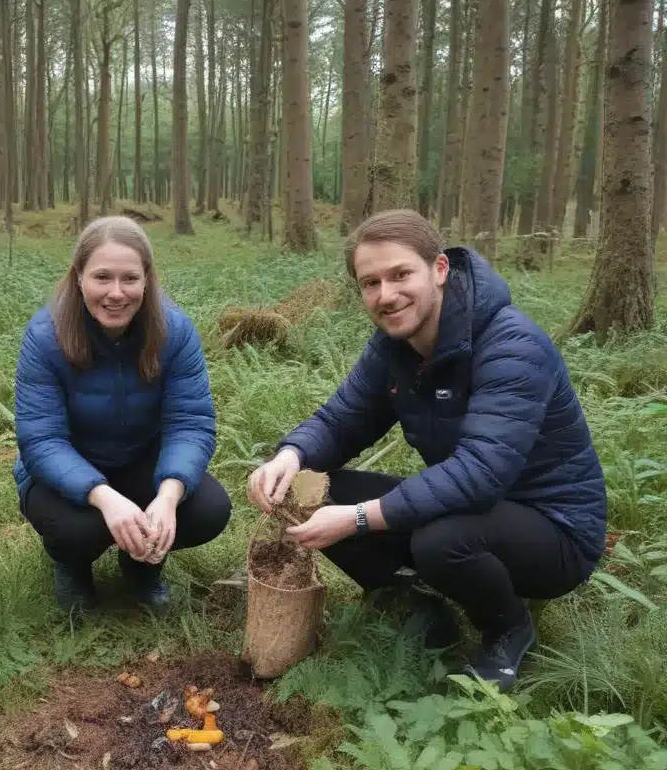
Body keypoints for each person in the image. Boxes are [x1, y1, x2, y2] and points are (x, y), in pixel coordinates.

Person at [248, 209, 606, 690]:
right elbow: (341, 419)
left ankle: (507, 628)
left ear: (440, 270)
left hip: (554, 531)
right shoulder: (393, 347)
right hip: (473, 505)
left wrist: (359, 518)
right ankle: (409, 600)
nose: (386, 295)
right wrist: (289, 457)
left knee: (439, 540)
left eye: (400, 274)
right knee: (318, 488)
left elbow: (480, 472)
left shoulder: (511, 345)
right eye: (370, 283)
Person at [13, 215, 232, 613]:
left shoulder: (175, 331)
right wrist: (104, 498)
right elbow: (41, 440)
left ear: (147, 279)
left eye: (129, 278)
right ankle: (73, 566)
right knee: (76, 530)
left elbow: (191, 422)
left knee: (209, 509)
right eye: (102, 277)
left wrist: (168, 495)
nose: (116, 293)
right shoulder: (46, 335)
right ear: (79, 277)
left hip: (139, 459)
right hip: (65, 469)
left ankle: (142, 564)